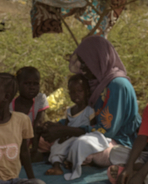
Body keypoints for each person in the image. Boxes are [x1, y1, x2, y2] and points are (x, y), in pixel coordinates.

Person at [40, 36, 141, 170]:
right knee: (46, 142)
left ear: (98, 59)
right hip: (94, 135)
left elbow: (106, 130)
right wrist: (60, 126)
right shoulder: (96, 84)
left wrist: (65, 130)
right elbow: (85, 117)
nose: (82, 67)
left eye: (86, 62)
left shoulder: (117, 85)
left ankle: (125, 161)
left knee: (82, 145)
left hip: (119, 141)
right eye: (82, 62)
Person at [44, 75, 95, 178]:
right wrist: (62, 138)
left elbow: (93, 130)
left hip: (81, 138)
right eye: (72, 92)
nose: (76, 94)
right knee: (56, 146)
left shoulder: (89, 111)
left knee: (77, 147)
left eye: (80, 91)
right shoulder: (69, 111)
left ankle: (70, 162)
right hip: (69, 138)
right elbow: (66, 127)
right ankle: (57, 166)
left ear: (87, 92)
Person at [10, 67, 49, 154]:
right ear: (17, 84)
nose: (32, 87)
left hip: (35, 139)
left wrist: (34, 148)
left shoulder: (40, 99)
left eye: (35, 84)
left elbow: (38, 124)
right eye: (27, 83)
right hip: (15, 140)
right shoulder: (9, 105)